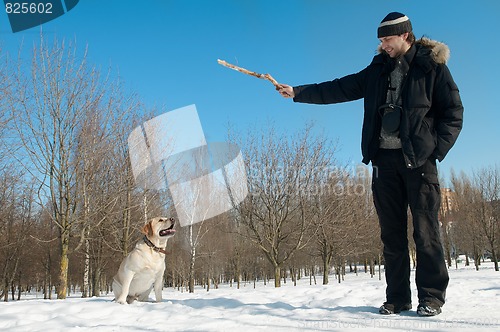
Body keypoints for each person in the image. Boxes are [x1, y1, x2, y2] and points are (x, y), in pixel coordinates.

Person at [277, 12, 463, 317]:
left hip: (419, 163)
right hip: (385, 162)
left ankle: (431, 297)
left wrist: (435, 151)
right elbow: (339, 88)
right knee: (391, 234)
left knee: (426, 232)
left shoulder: (432, 67)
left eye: (387, 39)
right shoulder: (377, 70)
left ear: (404, 36)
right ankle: (397, 298)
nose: (383, 45)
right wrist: (298, 92)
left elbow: (453, 112)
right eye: (380, 40)